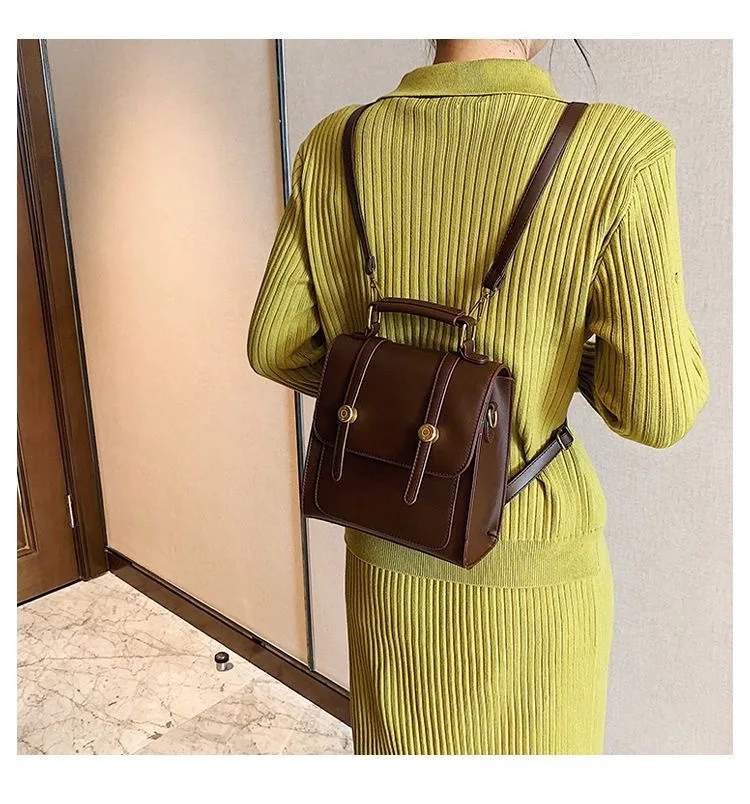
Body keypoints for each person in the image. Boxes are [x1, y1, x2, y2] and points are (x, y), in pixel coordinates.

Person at [246, 39, 710, 754]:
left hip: (388, 532)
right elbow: (659, 408)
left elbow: (274, 344)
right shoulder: (621, 150)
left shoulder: (333, 142)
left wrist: (400, 400)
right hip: (529, 550)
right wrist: (549, 360)